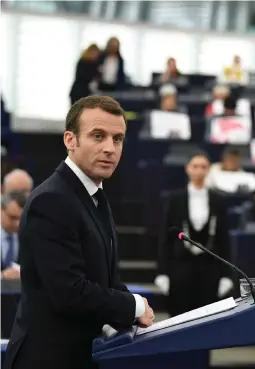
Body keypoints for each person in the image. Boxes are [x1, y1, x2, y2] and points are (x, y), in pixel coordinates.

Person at [4, 96, 154, 369]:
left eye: (117, 139)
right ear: (70, 140)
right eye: (98, 136)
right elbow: (69, 292)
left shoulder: (94, 194)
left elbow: (105, 278)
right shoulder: (51, 201)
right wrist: (132, 306)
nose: (110, 148)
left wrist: (133, 308)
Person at [156, 153, 233, 317]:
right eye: (195, 166)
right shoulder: (175, 199)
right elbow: (165, 237)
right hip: (180, 267)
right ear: (187, 169)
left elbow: (224, 239)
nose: (199, 171)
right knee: (179, 318)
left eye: (203, 167)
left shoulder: (218, 200)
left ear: (209, 170)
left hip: (210, 268)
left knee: (207, 320)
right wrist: (162, 272)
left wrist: (227, 276)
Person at [1, 191, 27, 280]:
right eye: (13, 217)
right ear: (1, 210)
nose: (17, 224)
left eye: (21, 218)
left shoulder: (30, 236)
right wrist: (2, 276)